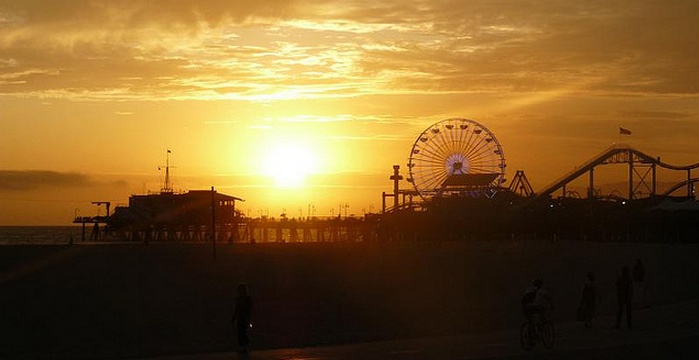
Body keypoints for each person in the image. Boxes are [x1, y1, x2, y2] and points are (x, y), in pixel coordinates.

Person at [232, 283, 253, 353]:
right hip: (241, 318)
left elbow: (249, 309)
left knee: (243, 333)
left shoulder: (247, 299)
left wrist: (249, 319)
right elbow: (237, 309)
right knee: (240, 333)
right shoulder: (240, 299)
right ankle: (243, 347)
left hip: (244, 318)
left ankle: (245, 347)